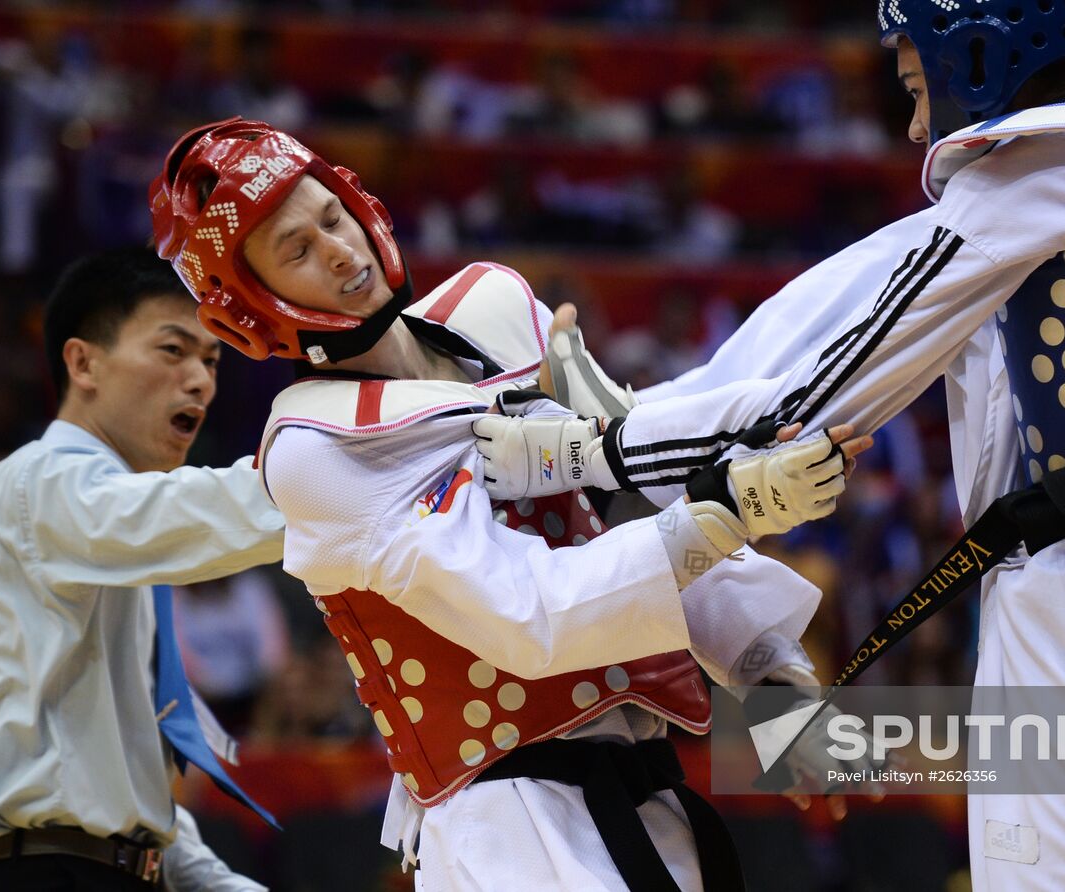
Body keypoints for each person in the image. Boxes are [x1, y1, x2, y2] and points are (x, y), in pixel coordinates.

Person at [471, 2, 1065, 888]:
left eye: (918, 90)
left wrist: (590, 453)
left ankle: (637, 420)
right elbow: (892, 292)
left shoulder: (1045, 168)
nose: (918, 127)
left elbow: (817, 402)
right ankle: (653, 414)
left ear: (978, 53)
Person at [149, 118, 874, 891]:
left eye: (331, 216)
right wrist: (728, 510)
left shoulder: (494, 307)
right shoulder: (313, 450)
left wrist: (772, 678)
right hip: (504, 823)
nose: (337, 250)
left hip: (647, 783)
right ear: (255, 305)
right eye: (296, 251)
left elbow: (629, 503)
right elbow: (529, 617)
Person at [0, 247, 285, 891]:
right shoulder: (35, 485)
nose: (201, 380)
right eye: (173, 350)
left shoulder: (115, 542)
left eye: (212, 360)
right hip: (41, 874)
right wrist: (350, 466)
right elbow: (202, 508)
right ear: (83, 362)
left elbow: (123, 807)